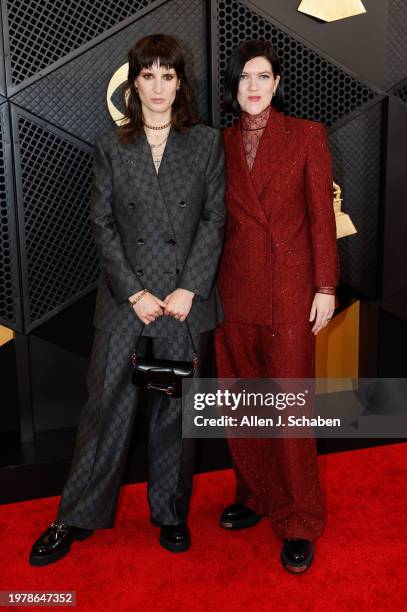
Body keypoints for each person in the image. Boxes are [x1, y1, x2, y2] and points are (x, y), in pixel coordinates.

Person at [29, 34, 226, 566]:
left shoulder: (205, 143)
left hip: (185, 302)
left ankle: (171, 513)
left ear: (179, 83)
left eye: (168, 75)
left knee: (173, 412)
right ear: (133, 82)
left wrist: (188, 288)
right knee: (103, 411)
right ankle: (74, 515)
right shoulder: (111, 144)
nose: (158, 86)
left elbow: (213, 218)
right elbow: (101, 224)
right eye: (148, 75)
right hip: (125, 302)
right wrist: (135, 291)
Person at [214, 40, 339, 573]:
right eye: (244, 77)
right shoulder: (217, 143)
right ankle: (257, 494)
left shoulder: (306, 135)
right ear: (234, 86)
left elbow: (321, 218)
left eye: (263, 76)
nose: (254, 86)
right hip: (234, 291)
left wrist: (326, 288)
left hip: (290, 292)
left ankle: (299, 519)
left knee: (289, 413)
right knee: (240, 403)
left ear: (277, 83)